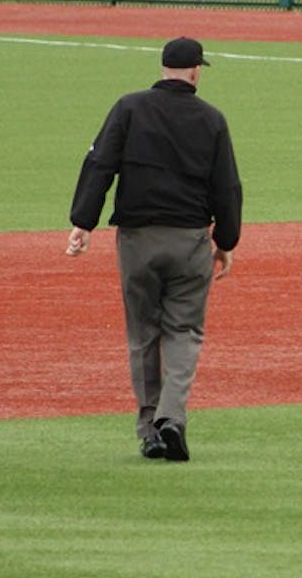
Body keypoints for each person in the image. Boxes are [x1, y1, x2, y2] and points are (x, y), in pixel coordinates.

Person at [66, 36, 242, 462]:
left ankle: (149, 427)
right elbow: (228, 186)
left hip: (138, 239)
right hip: (189, 241)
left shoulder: (129, 107)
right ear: (197, 71)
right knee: (184, 332)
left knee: (143, 334)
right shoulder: (211, 119)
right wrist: (226, 241)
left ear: (163, 67)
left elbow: (100, 163)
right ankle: (172, 419)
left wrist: (83, 222)